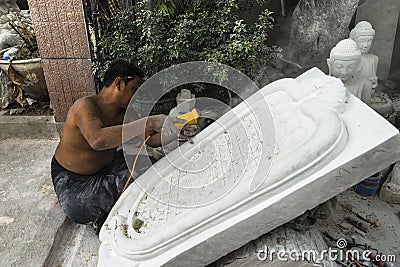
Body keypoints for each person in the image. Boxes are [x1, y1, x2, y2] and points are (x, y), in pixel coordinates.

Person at [51, 59, 184, 231]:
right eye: (134, 89)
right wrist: (150, 122)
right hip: (73, 178)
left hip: (109, 167)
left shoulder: (126, 113)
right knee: (77, 208)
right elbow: (97, 140)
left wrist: (177, 133)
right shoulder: (84, 106)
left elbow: (149, 140)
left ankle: (113, 201)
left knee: (148, 170)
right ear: (119, 83)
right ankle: (105, 213)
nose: (137, 95)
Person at [327, 38, 372, 105]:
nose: (344, 72)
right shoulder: (324, 84)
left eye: (350, 67)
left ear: (358, 66)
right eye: (339, 67)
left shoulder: (365, 85)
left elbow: (366, 112)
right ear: (330, 65)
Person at [350, 21, 379, 89]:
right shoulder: (349, 59)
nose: (366, 45)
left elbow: (373, 85)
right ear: (354, 40)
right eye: (361, 41)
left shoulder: (374, 59)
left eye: (369, 41)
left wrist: (373, 82)